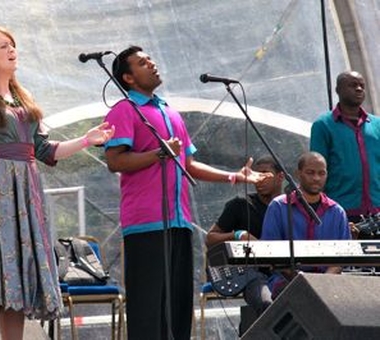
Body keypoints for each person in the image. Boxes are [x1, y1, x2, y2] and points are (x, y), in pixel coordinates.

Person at [0, 26, 114, 340]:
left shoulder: (23, 98)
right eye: (4, 46)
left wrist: (86, 140)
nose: (12, 51)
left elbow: (45, 151)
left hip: (26, 190)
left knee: (16, 283)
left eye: (13, 45)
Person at [103, 45, 269, 340]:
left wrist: (234, 176)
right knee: (148, 307)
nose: (152, 64)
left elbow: (188, 163)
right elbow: (115, 160)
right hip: (146, 224)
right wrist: (158, 154)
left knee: (178, 306)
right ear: (128, 78)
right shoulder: (124, 110)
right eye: (142, 63)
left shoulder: (168, 111)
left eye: (151, 59)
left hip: (179, 222)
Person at [261, 151, 351, 299]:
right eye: (310, 172)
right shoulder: (278, 206)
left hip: (328, 286)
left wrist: (323, 282)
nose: (316, 178)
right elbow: (271, 255)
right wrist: (302, 280)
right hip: (286, 284)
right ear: (298, 174)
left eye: (321, 173)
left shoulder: (337, 212)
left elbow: (341, 259)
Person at [205, 155, 284, 317]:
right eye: (256, 175)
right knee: (267, 304)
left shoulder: (290, 208)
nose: (258, 179)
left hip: (282, 273)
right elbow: (210, 238)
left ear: (281, 177)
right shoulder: (240, 204)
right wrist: (237, 235)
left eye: (265, 174)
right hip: (251, 275)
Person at [310, 71, 380, 232]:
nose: (359, 89)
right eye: (352, 85)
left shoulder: (377, 125)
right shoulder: (323, 125)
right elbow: (316, 172)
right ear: (338, 90)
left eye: (362, 85)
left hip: (377, 212)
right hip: (341, 213)